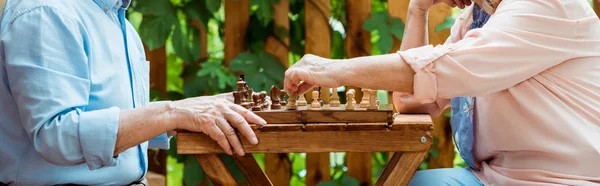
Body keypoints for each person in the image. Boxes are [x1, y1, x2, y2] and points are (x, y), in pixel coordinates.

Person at [284, 0, 600, 185]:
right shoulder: (476, 19)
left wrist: (329, 70)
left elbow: (443, 68)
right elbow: (412, 100)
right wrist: (417, 10)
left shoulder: (547, 5)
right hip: (492, 179)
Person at [0, 0, 265, 185]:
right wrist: (171, 113)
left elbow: (117, 121)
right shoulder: (46, 11)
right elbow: (56, 135)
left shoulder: (118, 22)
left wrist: (189, 110)